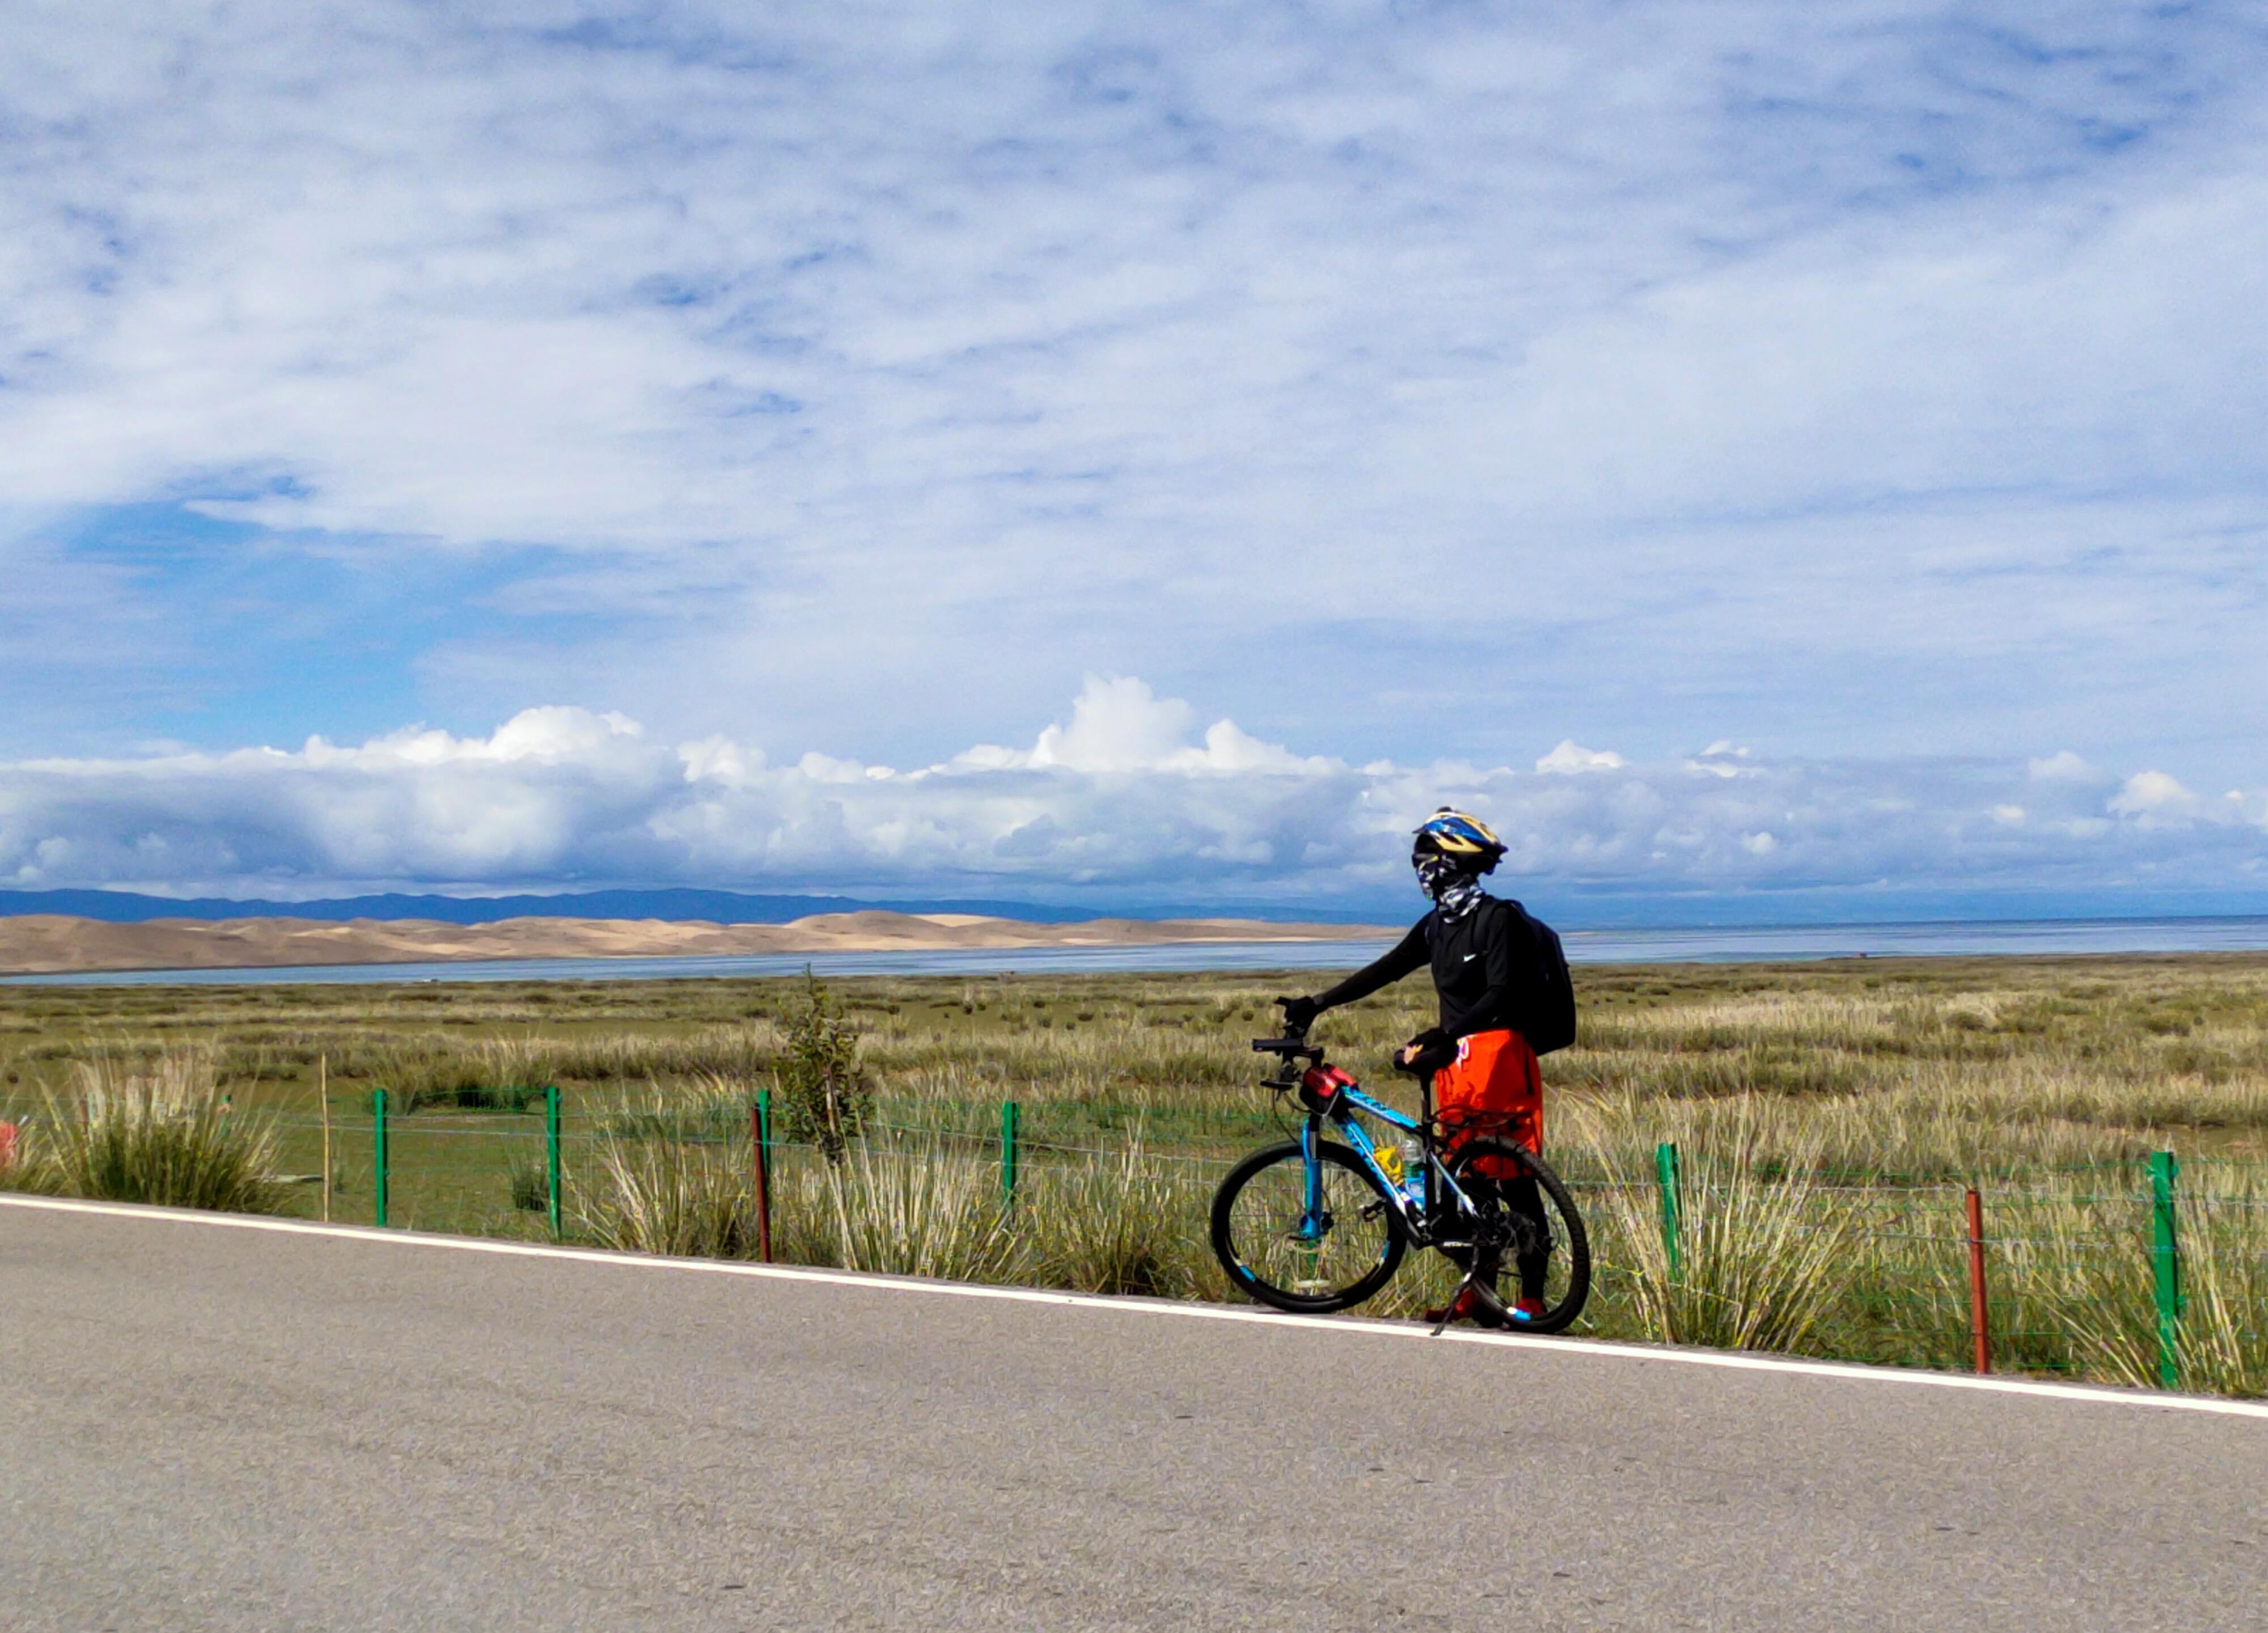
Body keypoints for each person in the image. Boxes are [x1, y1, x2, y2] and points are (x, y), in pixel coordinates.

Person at [1278, 807, 1556, 1325]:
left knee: (1514, 1176)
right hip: (1456, 1063)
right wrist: (1317, 1003)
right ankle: (1480, 1292)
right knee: (1466, 1181)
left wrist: (1443, 1033)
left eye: (1427, 860)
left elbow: (1503, 991)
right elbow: (1385, 969)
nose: (1421, 871)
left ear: (1450, 864)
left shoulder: (1499, 919)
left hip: (1499, 1057)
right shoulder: (1435, 927)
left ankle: (1535, 1297)